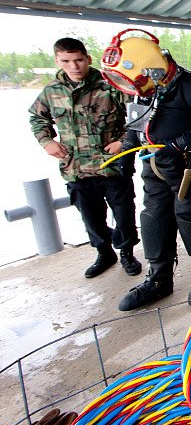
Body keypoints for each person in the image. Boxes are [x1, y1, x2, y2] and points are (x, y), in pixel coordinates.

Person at [100, 29, 191, 311]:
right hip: (154, 164)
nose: (137, 89)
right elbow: (136, 125)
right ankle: (159, 277)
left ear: (150, 68)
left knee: (190, 216)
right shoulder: (145, 92)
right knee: (154, 216)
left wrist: (180, 143)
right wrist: (126, 151)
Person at [29, 38, 141, 278]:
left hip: (111, 164)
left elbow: (138, 116)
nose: (74, 66)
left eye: (78, 60)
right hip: (76, 166)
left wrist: (123, 141)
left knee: (123, 212)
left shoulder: (110, 84)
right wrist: (47, 142)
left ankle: (127, 253)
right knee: (90, 216)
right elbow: (37, 118)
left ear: (88, 59)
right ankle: (104, 252)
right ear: (57, 61)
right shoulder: (51, 91)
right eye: (66, 61)